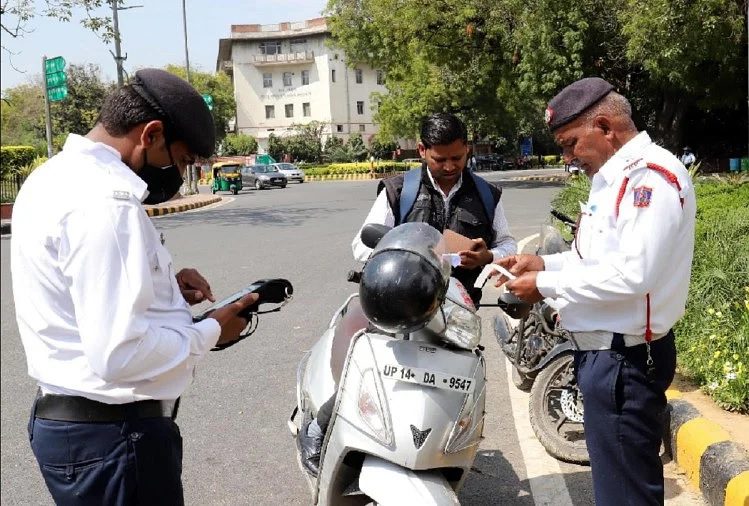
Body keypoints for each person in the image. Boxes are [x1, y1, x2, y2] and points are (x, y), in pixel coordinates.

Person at [10, 68, 258, 505]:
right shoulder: (106, 203)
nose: (179, 175)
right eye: (180, 161)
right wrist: (213, 330)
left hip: (81, 432)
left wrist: (163, 288)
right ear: (152, 134)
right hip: (113, 440)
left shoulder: (52, 178)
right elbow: (119, 354)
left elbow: (79, 292)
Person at [495, 77, 696, 505]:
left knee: (625, 495)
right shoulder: (613, 179)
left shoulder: (650, 179)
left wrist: (544, 285)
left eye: (570, 144)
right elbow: (597, 262)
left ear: (604, 127)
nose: (568, 158)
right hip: (604, 356)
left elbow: (631, 275)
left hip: (624, 360)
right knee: (617, 489)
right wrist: (544, 263)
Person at [296, 112, 517, 478]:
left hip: (457, 311)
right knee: (367, 368)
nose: (450, 166)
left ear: (467, 151)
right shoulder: (399, 189)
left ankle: (446, 446)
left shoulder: (487, 195)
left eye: (458, 158)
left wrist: (490, 255)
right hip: (401, 302)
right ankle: (320, 427)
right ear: (421, 151)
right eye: (439, 158)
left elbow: (507, 242)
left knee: (459, 381)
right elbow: (360, 245)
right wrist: (405, 253)